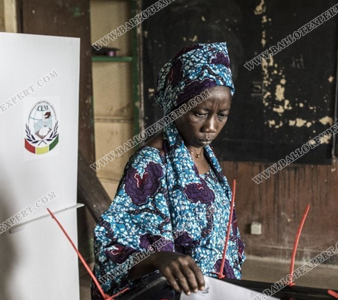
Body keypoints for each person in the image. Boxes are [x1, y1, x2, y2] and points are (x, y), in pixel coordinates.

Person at [91, 43, 245, 299]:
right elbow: (111, 246)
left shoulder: (204, 153)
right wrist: (157, 258)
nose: (211, 126)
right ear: (177, 105)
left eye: (222, 115)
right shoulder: (151, 163)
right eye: (200, 113)